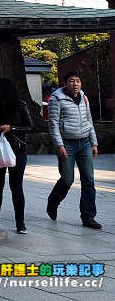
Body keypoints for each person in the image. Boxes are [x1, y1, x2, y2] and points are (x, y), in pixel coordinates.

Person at [46, 71, 100, 229]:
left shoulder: (84, 98)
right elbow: (53, 124)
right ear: (64, 84)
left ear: (81, 84)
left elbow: (89, 120)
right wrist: (59, 145)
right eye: (71, 81)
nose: (75, 84)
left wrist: (94, 143)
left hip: (84, 144)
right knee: (67, 180)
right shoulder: (56, 99)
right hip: (67, 144)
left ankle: (88, 217)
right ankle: (53, 202)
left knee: (88, 181)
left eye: (77, 81)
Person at [0, 78, 33, 234]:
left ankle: (20, 223)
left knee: (16, 187)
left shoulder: (20, 105)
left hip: (17, 149)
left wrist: (11, 128)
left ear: (3, 89)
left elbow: (30, 127)